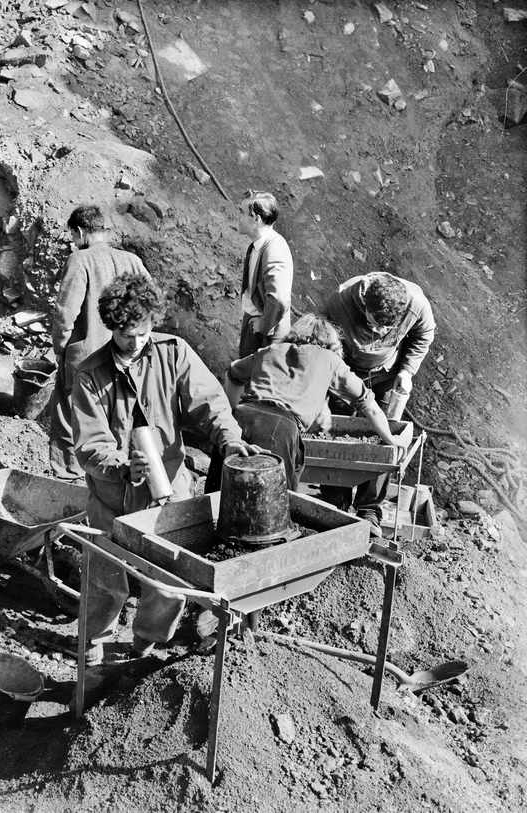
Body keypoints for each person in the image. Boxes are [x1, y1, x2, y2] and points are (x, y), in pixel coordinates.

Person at [72, 273, 260, 664]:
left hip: (169, 490)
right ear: (112, 328)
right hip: (112, 495)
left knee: (170, 584)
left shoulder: (173, 353)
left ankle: (145, 644)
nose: (137, 343)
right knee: (107, 582)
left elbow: (210, 404)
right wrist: (125, 465)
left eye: (143, 333)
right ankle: (91, 645)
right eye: (126, 336)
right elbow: (90, 445)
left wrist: (229, 437)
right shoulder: (91, 375)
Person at [215, 313, 406, 492]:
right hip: (279, 429)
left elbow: (233, 373)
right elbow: (369, 405)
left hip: (238, 420)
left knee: (218, 492)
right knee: (275, 503)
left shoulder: (270, 350)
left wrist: (231, 411)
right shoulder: (330, 359)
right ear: (332, 343)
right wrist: (391, 439)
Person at [322, 271, 436, 535]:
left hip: (386, 378)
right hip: (346, 373)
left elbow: (423, 336)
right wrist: (337, 376)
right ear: (364, 307)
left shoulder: (416, 304)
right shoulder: (341, 301)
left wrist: (406, 371)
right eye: (375, 324)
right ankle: (334, 502)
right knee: (338, 433)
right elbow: (324, 339)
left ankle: (369, 508)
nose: (380, 332)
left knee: (384, 439)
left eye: (388, 328)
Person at [49, 205, 150, 482]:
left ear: (80, 232)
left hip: (85, 357)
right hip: (125, 356)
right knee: (116, 416)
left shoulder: (79, 260)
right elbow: (149, 303)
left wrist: (60, 348)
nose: (73, 241)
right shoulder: (132, 260)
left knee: (70, 415)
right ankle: (117, 473)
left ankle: (70, 477)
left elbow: (65, 313)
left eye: (73, 236)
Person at [235, 191, 293, 357]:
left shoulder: (274, 251)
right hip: (255, 319)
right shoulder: (259, 244)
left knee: (253, 373)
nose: (238, 216)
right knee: (244, 363)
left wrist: (264, 324)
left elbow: (279, 299)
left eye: (242, 212)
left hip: (267, 335)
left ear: (256, 219)